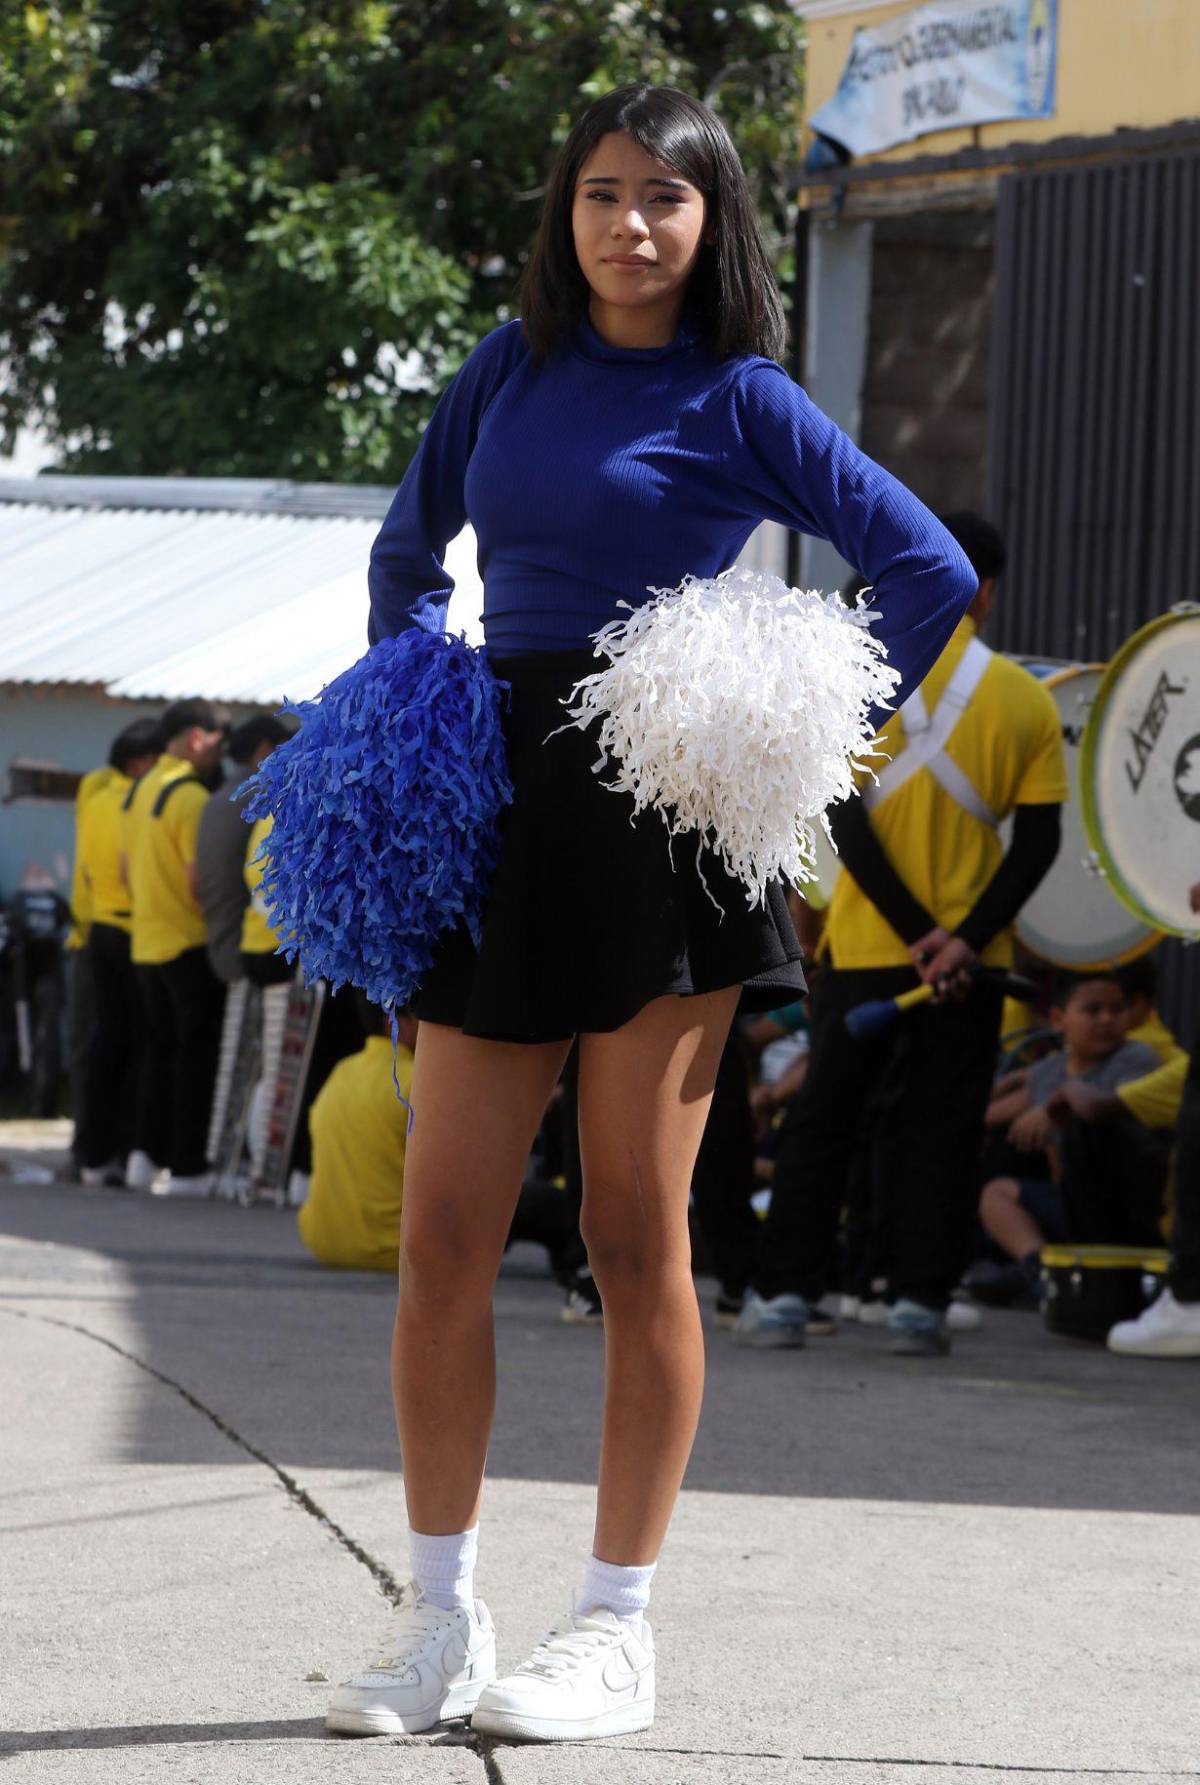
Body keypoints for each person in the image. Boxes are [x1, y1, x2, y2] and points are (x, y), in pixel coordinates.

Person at [322, 84, 975, 1746]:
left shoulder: (741, 393)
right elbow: (411, 554)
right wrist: (419, 722)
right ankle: (441, 1616)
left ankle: (615, 1627)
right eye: (601, 193)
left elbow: (922, 570)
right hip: (505, 814)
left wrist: (787, 713)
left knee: (633, 1231)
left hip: (673, 816)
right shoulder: (508, 367)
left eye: (662, 200)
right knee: (448, 1234)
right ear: (567, 210)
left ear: (709, 223)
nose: (628, 225)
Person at [734, 511, 1066, 1358]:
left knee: (824, 1121)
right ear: (986, 592)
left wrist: (915, 934)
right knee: (943, 1128)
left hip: (869, 949)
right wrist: (959, 941)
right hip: (972, 963)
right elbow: (1038, 843)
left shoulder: (865, 677)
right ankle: (918, 1302)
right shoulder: (1025, 696)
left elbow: (844, 820)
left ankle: (783, 1295)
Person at [976, 971, 1161, 1297]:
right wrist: (1008, 1082)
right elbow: (988, 1115)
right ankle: (1040, 1269)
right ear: (1059, 1020)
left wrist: (1052, 1107)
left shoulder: (1137, 1058)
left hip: (1121, 1205)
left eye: (1116, 1010)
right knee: (996, 1193)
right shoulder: (1046, 1071)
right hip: (1065, 1199)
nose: (1106, 1019)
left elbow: (1096, 1108)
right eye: (1093, 1010)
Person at [123, 699, 228, 1196]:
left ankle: (143, 1157)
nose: (218, 753)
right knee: (194, 1060)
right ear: (195, 738)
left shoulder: (138, 790)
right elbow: (195, 883)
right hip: (185, 944)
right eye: (215, 742)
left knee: (155, 1056)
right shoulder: (188, 798)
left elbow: (125, 868)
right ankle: (187, 1168)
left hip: (144, 942)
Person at [73, 720, 162, 1185]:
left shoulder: (95, 798)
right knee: (139, 1049)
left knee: (102, 1045)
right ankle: (128, 1150)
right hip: (133, 931)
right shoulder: (137, 801)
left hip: (97, 930)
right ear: (137, 763)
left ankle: (90, 1152)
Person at [195, 716, 293, 987]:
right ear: (264, 750)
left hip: (223, 944)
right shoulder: (263, 795)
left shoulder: (215, 798)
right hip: (259, 946)